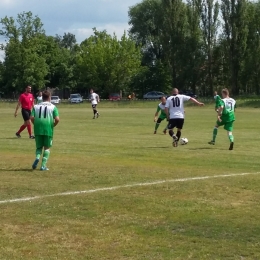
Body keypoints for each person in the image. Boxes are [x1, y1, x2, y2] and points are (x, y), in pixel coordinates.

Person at [31, 90, 60, 171]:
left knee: (39, 147)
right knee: (47, 148)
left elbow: (32, 118)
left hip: (38, 129)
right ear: (49, 97)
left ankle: (37, 157)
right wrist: (53, 125)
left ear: (42, 97)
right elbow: (57, 119)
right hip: (48, 129)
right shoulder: (53, 107)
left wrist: (35, 124)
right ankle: (43, 166)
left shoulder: (36, 106)